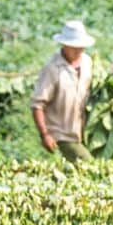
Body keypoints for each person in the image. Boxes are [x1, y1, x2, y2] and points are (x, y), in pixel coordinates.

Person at [31, 20, 95, 163]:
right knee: (89, 166)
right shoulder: (53, 68)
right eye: (74, 47)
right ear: (64, 45)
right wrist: (45, 134)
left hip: (83, 133)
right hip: (61, 134)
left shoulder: (87, 62)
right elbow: (37, 105)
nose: (78, 51)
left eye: (81, 47)